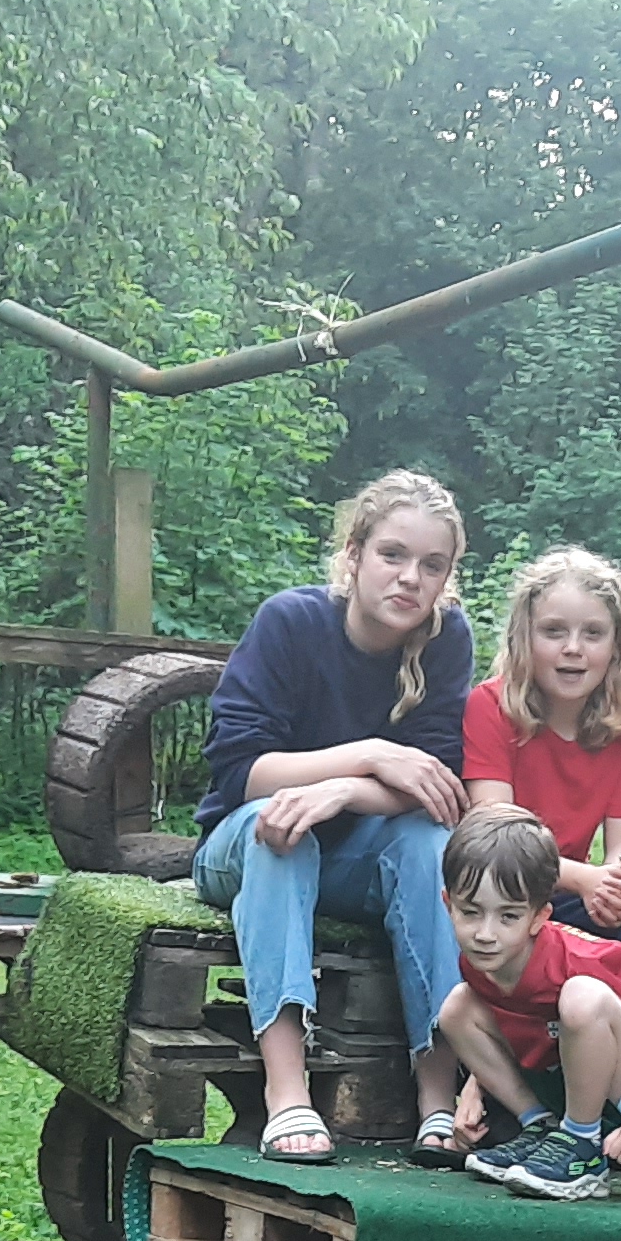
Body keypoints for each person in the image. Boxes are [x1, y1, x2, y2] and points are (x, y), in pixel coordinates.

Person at [190, 473, 478, 1165]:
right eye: (392, 554)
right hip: (243, 844)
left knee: (427, 841)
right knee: (283, 829)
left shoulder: (446, 640)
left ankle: (436, 1097)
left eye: (431, 565)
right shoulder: (292, 622)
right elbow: (241, 773)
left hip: (357, 852)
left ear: (447, 576)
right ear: (354, 553)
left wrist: (345, 794)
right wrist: (368, 758)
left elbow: (434, 788)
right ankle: (286, 1093)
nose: (410, 578)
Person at [461, 545, 621, 1012]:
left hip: (570, 893)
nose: (573, 649)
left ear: (616, 648)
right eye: (553, 631)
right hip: (500, 895)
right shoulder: (492, 708)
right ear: (525, 639)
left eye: (593, 634)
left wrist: (619, 877)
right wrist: (586, 879)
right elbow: (495, 837)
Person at [431, 806, 621, 1203]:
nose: (485, 933)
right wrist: (473, 1091)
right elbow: (505, 1018)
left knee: (581, 998)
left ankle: (582, 1145)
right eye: (470, 912)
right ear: (448, 904)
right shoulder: (481, 961)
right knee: (457, 1007)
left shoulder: (576, 960)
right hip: (558, 1081)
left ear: (538, 918)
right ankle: (542, 1127)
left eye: (508, 916)